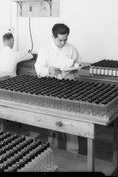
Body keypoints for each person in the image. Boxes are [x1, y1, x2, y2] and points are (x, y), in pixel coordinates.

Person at [34, 23, 81, 154]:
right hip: (51, 86)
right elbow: (39, 69)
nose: (63, 42)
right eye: (60, 40)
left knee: (71, 118)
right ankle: (51, 149)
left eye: (65, 39)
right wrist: (48, 70)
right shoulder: (45, 50)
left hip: (69, 86)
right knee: (53, 119)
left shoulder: (72, 49)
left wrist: (76, 68)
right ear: (53, 37)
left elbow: (77, 63)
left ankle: (73, 152)